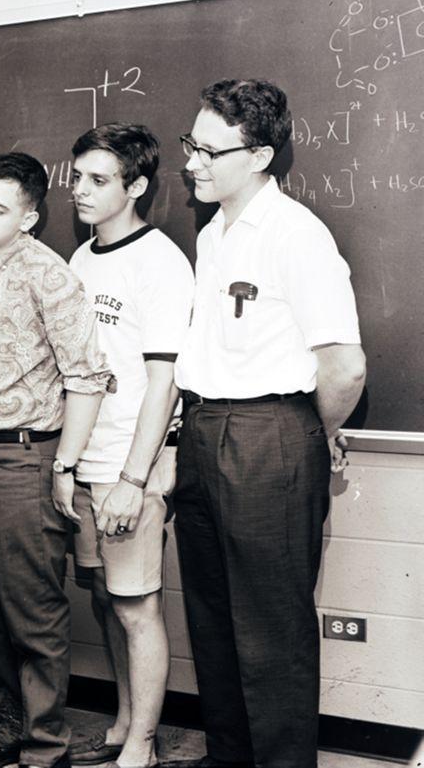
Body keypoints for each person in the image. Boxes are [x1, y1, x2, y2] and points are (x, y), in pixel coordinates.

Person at [170, 79, 366, 768]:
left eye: (207, 149)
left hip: (268, 440)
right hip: (202, 434)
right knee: (215, 623)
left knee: (272, 634)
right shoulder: (214, 232)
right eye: (190, 143)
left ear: (258, 156)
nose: (191, 160)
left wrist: (310, 433)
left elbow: (344, 367)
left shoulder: (296, 236)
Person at [0, 152, 112, 768]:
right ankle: (4, 726)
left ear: (31, 218)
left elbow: (88, 378)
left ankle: (46, 750)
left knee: (34, 615)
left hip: (23, 462)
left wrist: (64, 467)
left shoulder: (52, 277)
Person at [65, 123, 194, 768]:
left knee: (137, 605)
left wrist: (134, 479)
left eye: (98, 180)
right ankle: (121, 723)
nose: (79, 191)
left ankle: (142, 744)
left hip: (127, 468)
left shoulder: (162, 263)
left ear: (136, 186)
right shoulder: (82, 258)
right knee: (104, 598)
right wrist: (70, 466)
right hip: (87, 465)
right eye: (77, 176)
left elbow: (165, 381)